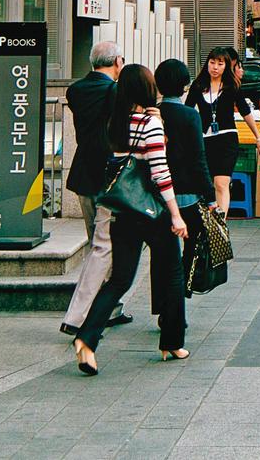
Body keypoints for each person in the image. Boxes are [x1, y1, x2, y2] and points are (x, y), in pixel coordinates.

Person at [73, 65, 190, 373]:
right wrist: (176, 215)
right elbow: (160, 173)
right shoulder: (150, 124)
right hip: (152, 211)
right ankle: (172, 342)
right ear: (148, 90)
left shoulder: (113, 122)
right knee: (173, 272)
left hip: (122, 210)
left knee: (120, 279)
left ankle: (86, 340)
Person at [59, 42, 131, 339]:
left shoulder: (75, 91)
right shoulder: (115, 92)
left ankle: (102, 308)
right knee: (107, 246)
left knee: (95, 243)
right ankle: (95, 312)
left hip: (83, 172)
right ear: (116, 61)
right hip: (108, 174)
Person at [154, 59, 214, 295]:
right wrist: (210, 197)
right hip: (188, 195)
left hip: (157, 196)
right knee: (192, 245)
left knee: (160, 253)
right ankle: (182, 291)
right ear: (184, 85)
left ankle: (162, 302)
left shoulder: (152, 114)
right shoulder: (190, 116)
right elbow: (199, 160)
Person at [191, 47, 257, 216]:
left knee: (221, 183)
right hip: (205, 141)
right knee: (209, 185)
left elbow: (245, 111)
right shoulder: (198, 86)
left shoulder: (231, 86)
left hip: (227, 140)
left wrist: (258, 137)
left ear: (226, 66)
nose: (215, 67)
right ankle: (211, 222)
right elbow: (188, 110)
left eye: (220, 64)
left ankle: (221, 224)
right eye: (212, 63)